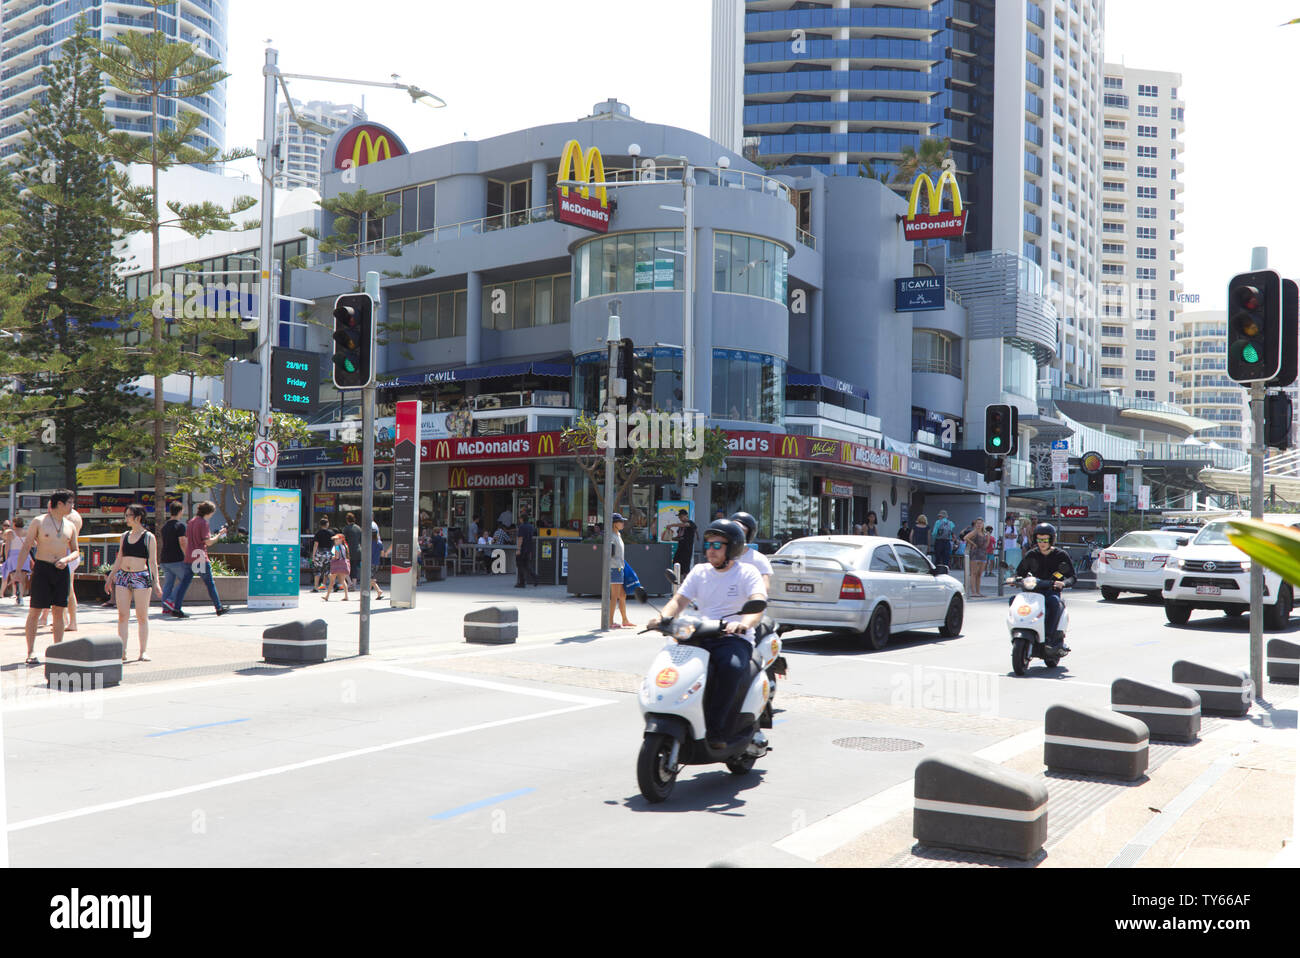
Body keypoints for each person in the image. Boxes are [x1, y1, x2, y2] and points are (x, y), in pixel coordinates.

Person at [644, 519, 766, 750]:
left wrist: (742, 624)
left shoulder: (747, 572)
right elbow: (679, 600)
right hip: (699, 634)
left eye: (717, 545)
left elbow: (757, 604)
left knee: (730, 668)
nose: (710, 550)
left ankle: (717, 729)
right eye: (708, 545)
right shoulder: (700, 572)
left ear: (732, 548)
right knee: (673, 665)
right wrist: (662, 618)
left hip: (732, 638)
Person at [12, 491, 78, 664]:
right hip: (42, 568)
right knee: (35, 610)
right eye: (70, 503)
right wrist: (19, 570)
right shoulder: (39, 521)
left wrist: (66, 559)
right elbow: (27, 546)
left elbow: (76, 550)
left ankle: (58, 650)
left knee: (59, 610)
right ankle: (31, 651)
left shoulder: (70, 525)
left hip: (61, 569)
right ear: (60, 504)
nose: (73, 506)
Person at [103, 503, 162, 662]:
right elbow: (119, 558)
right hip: (123, 576)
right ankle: (122, 651)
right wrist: (110, 577)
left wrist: (156, 582)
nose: (126, 518)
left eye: (128, 515)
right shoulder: (125, 535)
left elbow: (152, 562)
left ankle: (143, 651)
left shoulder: (148, 537)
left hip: (141, 576)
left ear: (138, 517)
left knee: (142, 616)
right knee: (123, 615)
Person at [1013, 523, 1077, 653]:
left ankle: (1049, 638)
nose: (1042, 543)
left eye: (1045, 539)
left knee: (1054, 603)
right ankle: (1019, 629)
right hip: (1033, 591)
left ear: (1051, 539)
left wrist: (1063, 583)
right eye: (1039, 539)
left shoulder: (1061, 555)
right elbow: (1020, 572)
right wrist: (1015, 579)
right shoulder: (1031, 554)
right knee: (1013, 600)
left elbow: (1072, 577)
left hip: (1051, 591)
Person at [176, 501, 229, 617]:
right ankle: (218, 608)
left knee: (184, 584)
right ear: (209, 512)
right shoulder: (203, 523)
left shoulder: (191, 522)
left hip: (190, 556)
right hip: (200, 556)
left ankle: (176, 608)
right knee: (210, 584)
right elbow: (208, 542)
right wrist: (219, 535)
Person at [159, 501, 190, 617]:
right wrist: (187, 556)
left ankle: (165, 608)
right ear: (180, 511)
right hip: (176, 559)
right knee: (185, 579)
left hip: (164, 559)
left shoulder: (165, 526)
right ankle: (171, 600)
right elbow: (182, 541)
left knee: (168, 584)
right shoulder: (180, 525)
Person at [729, 511, 772, 591]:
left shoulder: (759, 559)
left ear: (749, 534)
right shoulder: (722, 555)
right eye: (732, 530)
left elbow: (765, 587)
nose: (735, 534)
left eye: (741, 531)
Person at [608, 512, 634, 629]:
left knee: (622, 595)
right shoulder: (611, 536)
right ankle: (609, 621)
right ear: (614, 524)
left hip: (620, 567)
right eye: (621, 521)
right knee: (614, 596)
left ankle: (625, 620)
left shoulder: (618, 535)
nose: (623, 523)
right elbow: (610, 553)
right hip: (614, 568)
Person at [1, 516, 30, 604]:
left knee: (14, 577)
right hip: (25, 555)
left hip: (13, 556)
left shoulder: (11, 533)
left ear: (14, 524)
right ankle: (20, 596)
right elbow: (31, 545)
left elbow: (7, 547)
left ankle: (18, 595)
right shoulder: (27, 533)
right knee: (23, 578)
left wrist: (6, 558)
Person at [963, 518, 989, 598]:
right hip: (975, 554)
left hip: (983, 554)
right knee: (973, 573)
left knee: (979, 574)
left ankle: (978, 591)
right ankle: (974, 591)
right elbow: (965, 537)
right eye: (977, 523)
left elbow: (987, 544)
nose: (979, 525)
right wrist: (973, 544)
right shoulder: (974, 532)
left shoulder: (985, 533)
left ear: (983, 524)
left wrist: (988, 537)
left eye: (980, 523)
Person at [310, 516, 336, 593]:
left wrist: (313, 555)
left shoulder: (318, 533)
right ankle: (334, 585)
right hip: (328, 553)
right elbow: (334, 544)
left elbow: (315, 544)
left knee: (317, 570)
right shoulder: (331, 533)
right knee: (328, 571)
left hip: (319, 553)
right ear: (327, 524)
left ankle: (315, 587)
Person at [323, 533, 351, 601]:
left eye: (336, 539)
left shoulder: (337, 547)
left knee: (332, 581)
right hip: (343, 564)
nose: (335, 540)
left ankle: (327, 596)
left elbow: (337, 556)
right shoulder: (344, 546)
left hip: (337, 565)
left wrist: (332, 557)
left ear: (341, 539)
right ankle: (346, 596)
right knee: (343, 581)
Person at [515, 510, 537, 588]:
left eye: (519, 518)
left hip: (523, 548)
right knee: (527, 565)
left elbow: (520, 538)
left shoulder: (521, 527)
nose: (519, 520)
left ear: (522, 519)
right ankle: (535, 577)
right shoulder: (531, 527)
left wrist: (518, 549)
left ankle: (522, 582)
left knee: (520, 565)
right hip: (529, 548)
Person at [369, 527, 390, 600]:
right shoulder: (380, 543)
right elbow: (382, 554)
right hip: (377, 562)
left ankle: (379, 591)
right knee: (371, 577)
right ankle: (366, 593)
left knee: (370, 578)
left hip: (369, 562)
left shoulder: (369, 542)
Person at [343, 512, 363, 588]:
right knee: (354, 568)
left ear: (347, 520)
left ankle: (349, 583)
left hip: (348, 551)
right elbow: (361, 540)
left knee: (346, 567)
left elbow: (344, 541)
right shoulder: (359, 528)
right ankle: (354, 585)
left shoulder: (346, 529)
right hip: (358, 550)